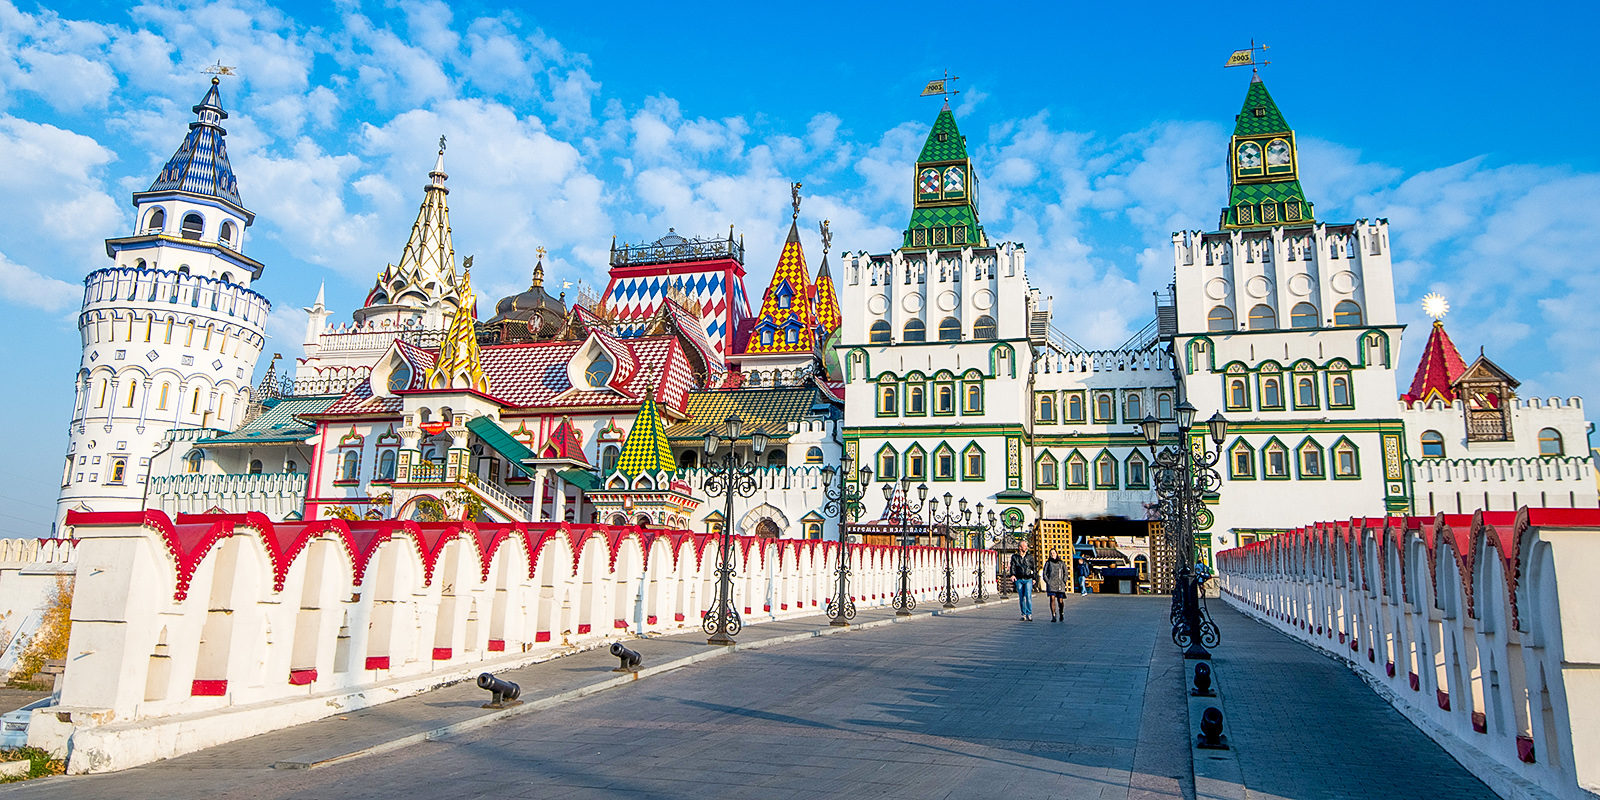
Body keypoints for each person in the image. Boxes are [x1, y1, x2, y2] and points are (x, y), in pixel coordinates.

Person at [1009, 540, 1038, 621]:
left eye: (1026, 546)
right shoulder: (1015, 557)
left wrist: (1034, 578)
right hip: (1019, 579)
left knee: (1028, 596)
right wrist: (1012, 575)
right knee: (1021, 597)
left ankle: (1029, 613)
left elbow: (1034, 568)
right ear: (1020, 548)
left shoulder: (1030, 557)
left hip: (1028, 578)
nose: (1026, 547)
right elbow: (1013, 567)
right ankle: (1023, 614)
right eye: (1024, 546)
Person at [1042, 549, 1068, 622]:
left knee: (1060, 600)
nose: (1052, 554)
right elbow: (1044, 573)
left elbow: (1065, 572)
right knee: (1052, 598)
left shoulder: (1061, 563)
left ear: (1056, 553)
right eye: (1051, 553)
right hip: (1051, 583)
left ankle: (1061, 612)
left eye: (1053, 553)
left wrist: (1064, 581)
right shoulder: (1048, 563)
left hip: (1060, 583)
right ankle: (1053, 615)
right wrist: (1048, 581)